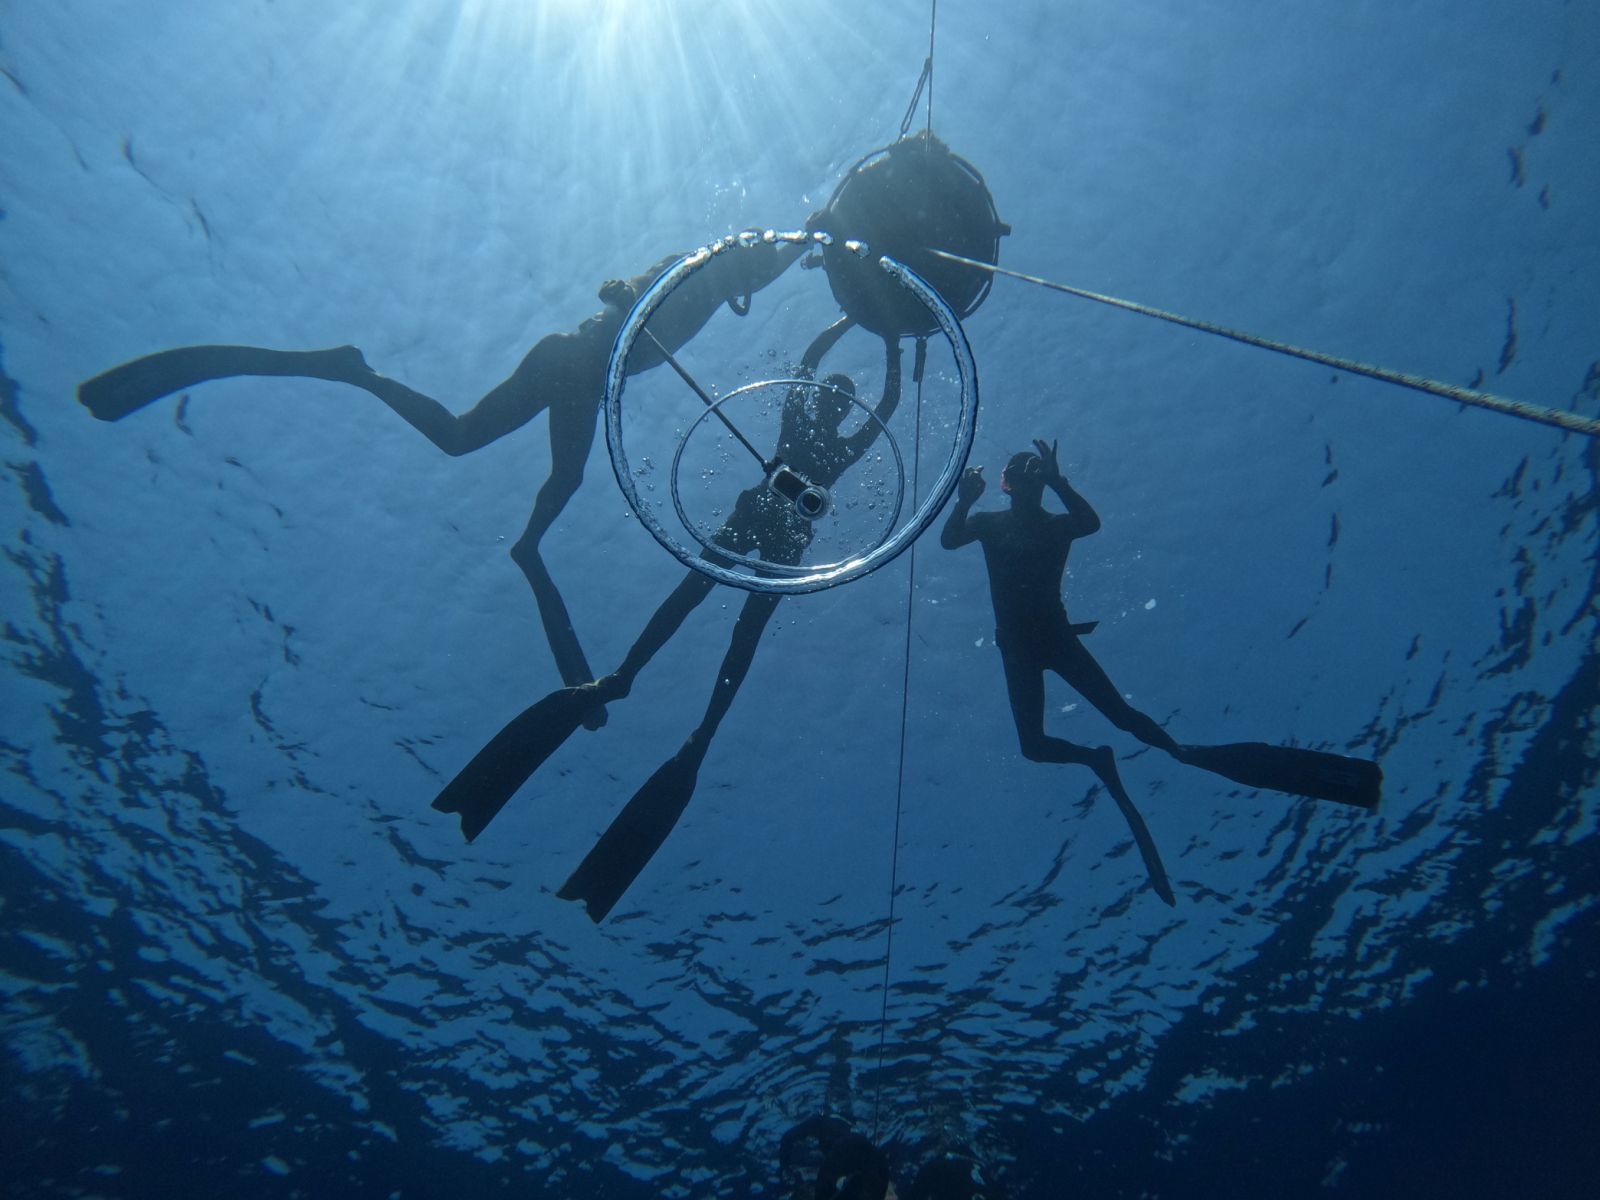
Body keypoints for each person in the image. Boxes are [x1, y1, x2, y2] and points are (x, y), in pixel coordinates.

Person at [76, 237, 806, 725]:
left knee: (506, 455)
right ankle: (361, 381)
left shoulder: (720, 289)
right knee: (509, 457)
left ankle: (512, 530)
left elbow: (766, 265)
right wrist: (625, 295)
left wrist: (807, 244)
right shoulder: (699, 269)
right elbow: (648, 282)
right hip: (573, 361)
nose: (756, 278)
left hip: (580, 377)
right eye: (754, 267)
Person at [432, 318, 904, 921]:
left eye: (840, 397)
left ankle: (698, 729)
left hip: (784, 534)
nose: (834, 401)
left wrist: (890, 340)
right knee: (692, 593)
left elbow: (885, 403)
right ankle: (624, 677)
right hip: (762, 514)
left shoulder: (835, 444)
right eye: (832, 394)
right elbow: (810, 364)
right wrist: (860, 322)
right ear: (822, 400)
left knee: (743, 629)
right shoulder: (799, 420)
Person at [941, 438, 1381, 904]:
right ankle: (1103, 758)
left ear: (1020, 483)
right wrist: (967, 500)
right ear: (1007, 483)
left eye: (1034, 472)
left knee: (1119, 719)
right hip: (1025, 649)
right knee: (1039, 744)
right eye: (1023, 472)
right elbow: (951, 539)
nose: (1028, 478)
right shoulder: (993, 524)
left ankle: (1175, 751)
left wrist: (1056, 483)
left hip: (1051, 641)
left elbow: (1089, 523)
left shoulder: (1053, 525)